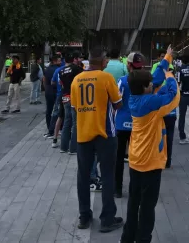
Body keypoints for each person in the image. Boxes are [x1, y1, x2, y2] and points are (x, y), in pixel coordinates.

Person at [120, 50, 180, 243]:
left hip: (136, 160)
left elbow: (155, 79)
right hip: (151, 163)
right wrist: (170, 75)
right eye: (150, 85)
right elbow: (172, 96)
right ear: (146, 87)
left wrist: (167, 58)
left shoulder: (137, 97)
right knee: (147, 207)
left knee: (133, 202)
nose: (153, 85)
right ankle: (143, 239)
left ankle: (127, 238)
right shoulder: (151, 103)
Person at [71, 47, 124, 232]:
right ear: (102, 62)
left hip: (84, 134)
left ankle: (84, 217)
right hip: (105, 134)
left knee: (83, 176)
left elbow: (75, 107)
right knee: (108, 176)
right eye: (106, 60)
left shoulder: (76, 80)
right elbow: (118, 104)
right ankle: (107, 220)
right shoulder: (106, 78)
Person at [114, 52, 144, 199]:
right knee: (136, 159)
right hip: (138, 124)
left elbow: (116, 101)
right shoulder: (146, 80)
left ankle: (117, 189)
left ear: (128, 65)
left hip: (121, 123)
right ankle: (135, 190)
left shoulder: (122, 80)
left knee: (118, 158)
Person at [59, 52, 85, 154]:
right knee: (75, 123)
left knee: (66, 122)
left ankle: (63, 147)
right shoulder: (76, 69)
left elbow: (61, 83)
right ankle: (73, 148)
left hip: (65, 96)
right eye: (79, 58)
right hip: (74, 97)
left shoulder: (61, 71)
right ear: (74, 59)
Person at [43, 54, 63, 139]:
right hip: (56, 92)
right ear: (54, 61)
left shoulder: (47, 69)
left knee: (49, 110)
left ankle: (49, 128)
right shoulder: (58, 70)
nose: (60, 62)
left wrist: (46, 88)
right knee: (58, 111)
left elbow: (44, 80)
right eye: (59, 60)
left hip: (48, 91)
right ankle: (57, 128)